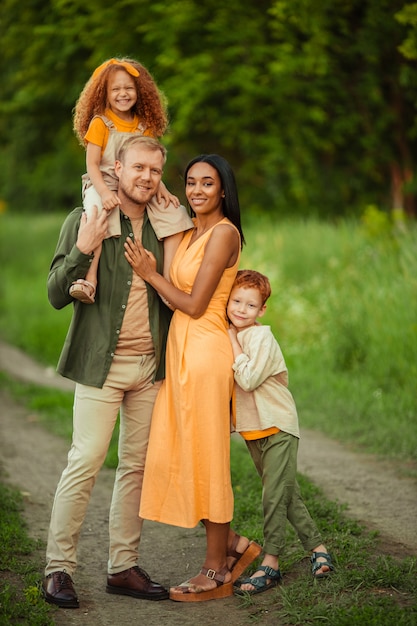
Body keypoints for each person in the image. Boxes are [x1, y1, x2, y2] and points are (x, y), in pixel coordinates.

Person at [42, 136, 191, 609]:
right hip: (101, 366)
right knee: (84, 462)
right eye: (138, 168)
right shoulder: (88, 218)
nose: (146, 177)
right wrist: (82, 249)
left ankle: (122, 567)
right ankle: (59, 569)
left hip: (150, 368)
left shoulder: (165, 227)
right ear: (117, 169)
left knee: (137, 468)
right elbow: (54, 292)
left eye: (154, 170)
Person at [124, 154, 262, 602]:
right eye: (191, 183)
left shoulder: (223, 234)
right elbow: (172, 280)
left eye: (208, 183)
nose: (199, 190)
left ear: (224, 191)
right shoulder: (194, 231)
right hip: (180, 350)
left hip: (204, 353)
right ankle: (233, 545)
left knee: (206, 459)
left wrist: (148, 274)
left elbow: (194, 304)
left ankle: (215, 569)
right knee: (180, 455)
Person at [226, 269, 335, 595]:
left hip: (278, 426)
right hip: (254, 431)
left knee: (273, 495)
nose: (241, 309)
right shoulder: (229, 332)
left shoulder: (261, 338)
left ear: (262, 311)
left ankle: (270, 563)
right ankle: (319, 550)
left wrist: (232, 340)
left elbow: (247, 380)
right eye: (236, 301)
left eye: (250, 305)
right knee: (285, 495)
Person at [70, 57, 191, 304]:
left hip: (138, 182)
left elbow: (151, 165)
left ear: (140, 91)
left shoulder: (143, 127)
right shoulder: (100, 123)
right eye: (116, 89)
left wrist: (163, 189)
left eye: (128, 88)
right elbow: (92, 165)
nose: (122, 94)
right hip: (102, 180)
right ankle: (90, 279)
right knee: (97, 216)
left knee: (175, 213)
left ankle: (168, 281)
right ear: (104, 93)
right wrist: (104, 192)